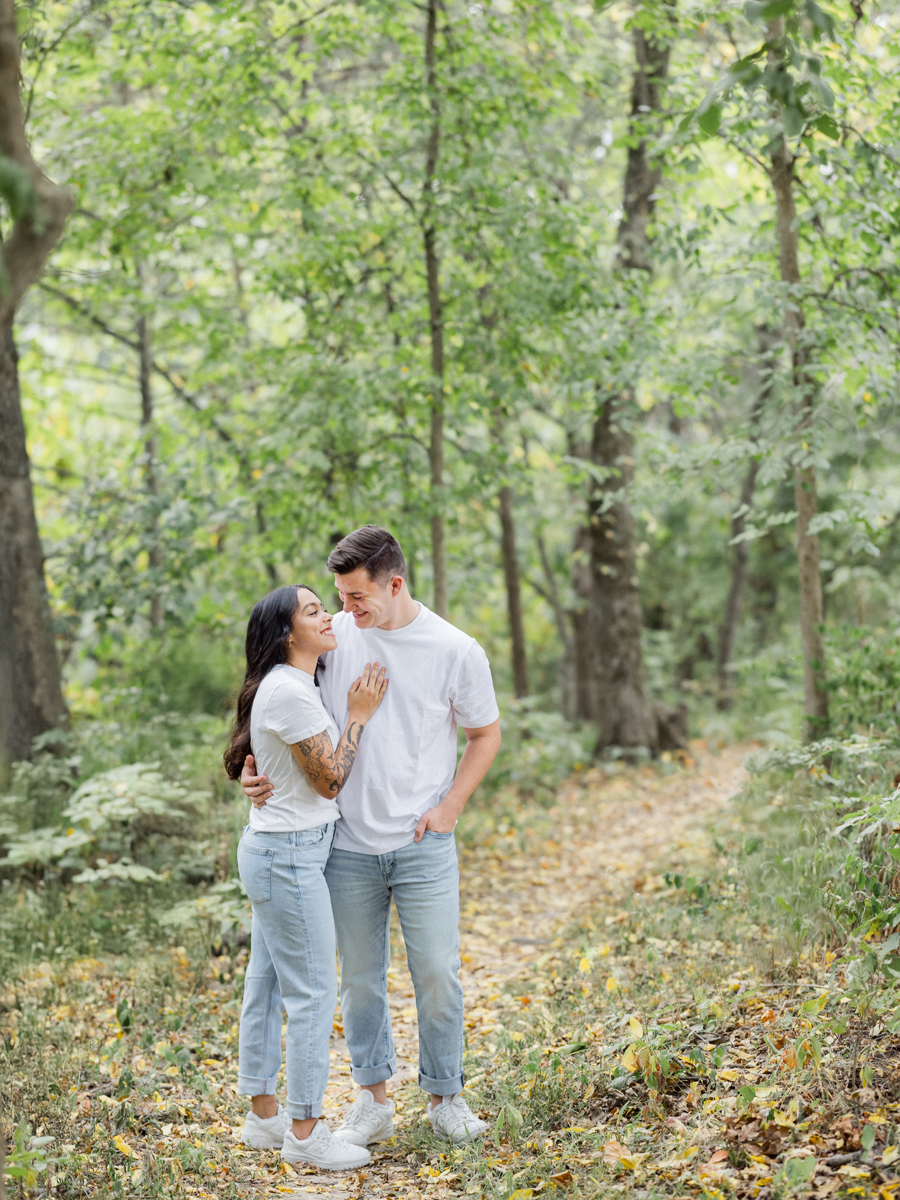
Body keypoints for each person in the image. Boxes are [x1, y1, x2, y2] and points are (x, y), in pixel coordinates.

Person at [242, 526, 501, 1148]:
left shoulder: (455, 649)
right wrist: (254, 768)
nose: (345, 610)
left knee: (437, 972)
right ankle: (372, 1099)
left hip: (422, 843)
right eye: (337, 596)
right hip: (345, 847)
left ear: (395, 584)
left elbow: (485, 735)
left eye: (357, 597)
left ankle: (445, 1097)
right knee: (360, 982)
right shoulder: (333, 640)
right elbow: (277, 697)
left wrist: (449, 808)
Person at [223, 584, 388, 1171]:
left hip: (278, 851)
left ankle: (264, 1118)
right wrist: (361, 716)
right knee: (313, 993)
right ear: (287, 634)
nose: (329, 616)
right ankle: (305, 1131)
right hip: (289, 857)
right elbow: (330, 780)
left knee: (266, 987)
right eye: (314, 610)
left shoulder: (292, 685)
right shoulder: (290, 692)